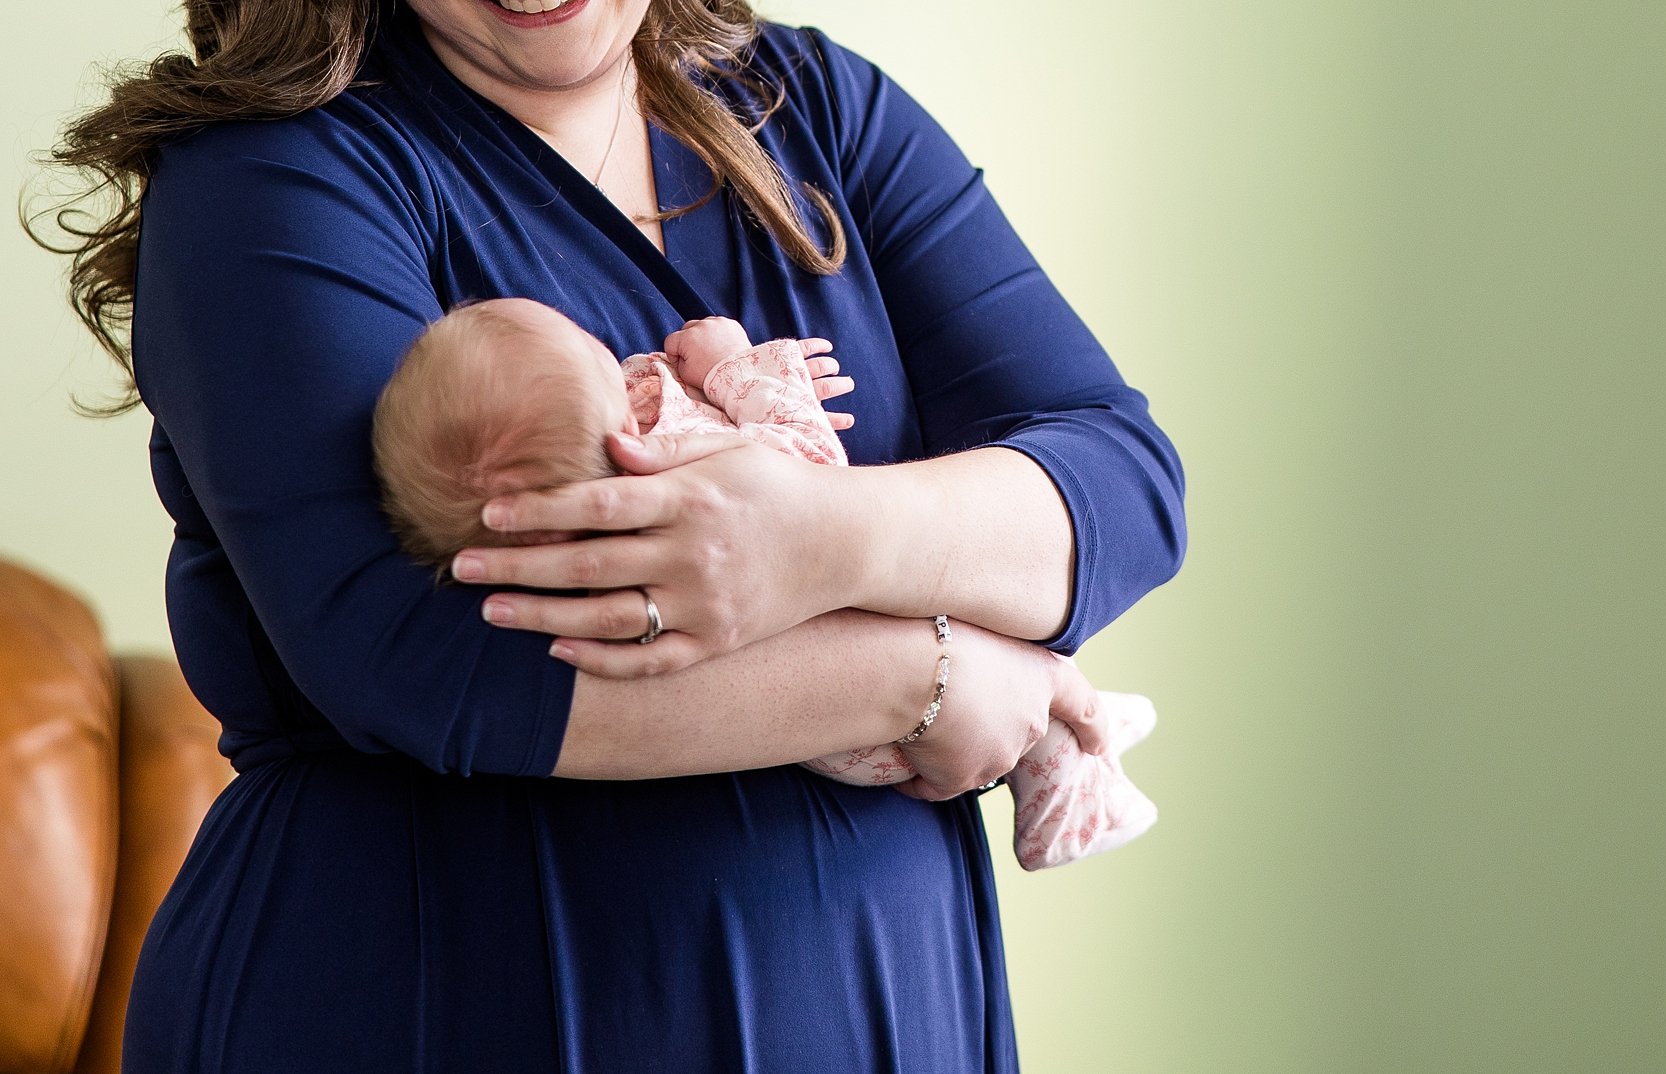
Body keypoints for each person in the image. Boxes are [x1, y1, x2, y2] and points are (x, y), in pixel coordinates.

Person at [42, 0, 1185, 1073]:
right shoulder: (277, 180)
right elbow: (413, 656)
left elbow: (1117, 479)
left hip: (875, 999)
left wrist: (812, 545)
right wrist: (934, 672)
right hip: (425, 1005)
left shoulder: (814, 114)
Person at [366, 298, 1163, 871]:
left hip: (843, 722)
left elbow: (1132, 487)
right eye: (592, 352)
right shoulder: (669, 461)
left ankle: (1079, 743)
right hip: (856, 734)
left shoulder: (590, 532)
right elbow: (811, 476)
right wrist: (738, 367)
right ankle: (1070, 789)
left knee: (1001, 638)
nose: (617, 353)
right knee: (1009, 645)